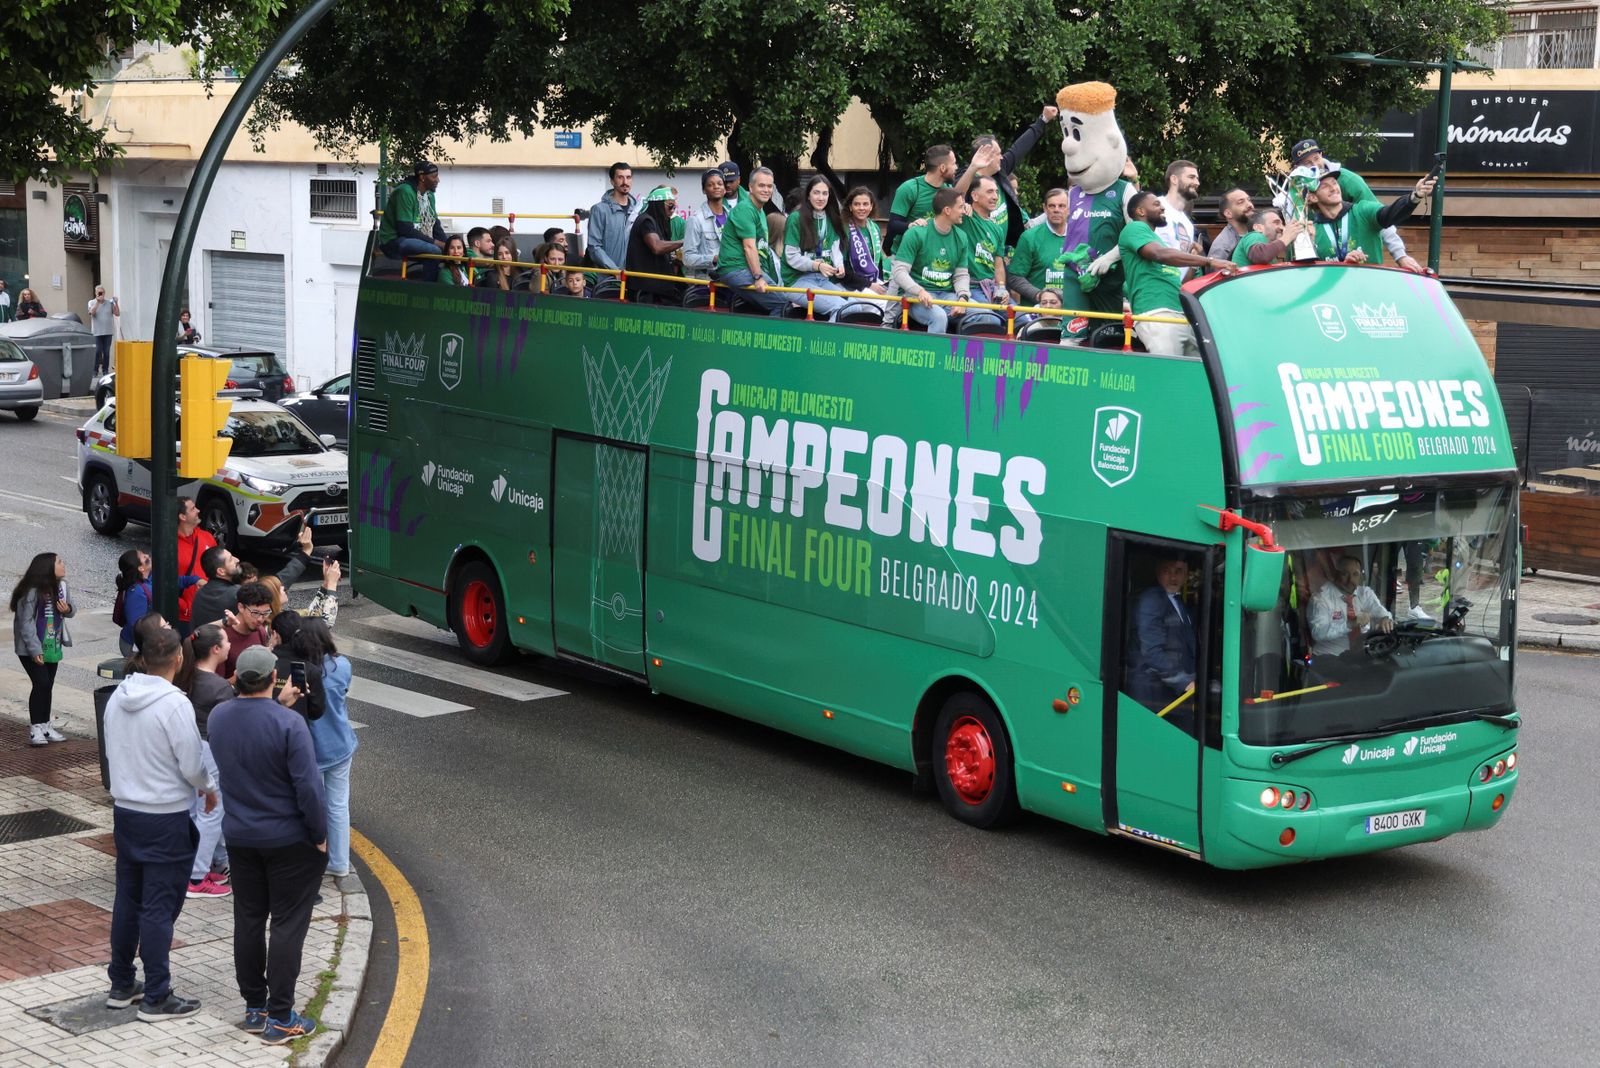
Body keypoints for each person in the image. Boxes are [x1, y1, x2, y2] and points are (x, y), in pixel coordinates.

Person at [207, 646, 326, 1045]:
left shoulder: (220, 716)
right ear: (275, 677)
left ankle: (255, 1007)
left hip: (240, 837)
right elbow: (309, 788)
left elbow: (250, 720)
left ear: (237, 677)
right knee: (289, 924)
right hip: (289, 839)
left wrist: (279, 704)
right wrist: (320, 835)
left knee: (250, 918)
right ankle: (282, 1016)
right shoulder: (290, 725)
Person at [101, 629, 217, 1021]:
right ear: (179, 660)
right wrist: (209, 786)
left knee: (128, 899)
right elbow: (191, 765)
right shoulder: (174, 705)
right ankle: (157, 995)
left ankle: (121, 983)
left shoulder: (120, 695)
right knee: (158, 907)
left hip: (127, 812)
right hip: (165, 816)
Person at [1119, 190, 1237, 356]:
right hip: (1156, 313)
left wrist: (1194, 263)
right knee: (1169, 373)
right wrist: (1210, 261)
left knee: (1198, 373)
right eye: (1156, 204)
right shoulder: (1134, 228)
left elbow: (1182, 285)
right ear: (1140, 211)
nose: (1162, 208)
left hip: (1180, 316)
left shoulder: (1157, 242)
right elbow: (1160, 255)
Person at [1287, 138, 1421, 270]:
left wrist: (1400, 255)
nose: (1315, 165)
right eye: (1308, 163)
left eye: (1316, 158)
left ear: (1321, 155)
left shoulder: (1352, 187)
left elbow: (1386, 216)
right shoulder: (1295, 192)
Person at [175, 624, 235, 898]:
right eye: (225, 641)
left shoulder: (187, 675)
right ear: (215, 649)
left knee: (195, 809)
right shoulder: (218, 687)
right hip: (210, 750)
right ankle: (197, 877)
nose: (229, 645)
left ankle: (196, 866)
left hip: (189, 746)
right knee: (211, 812)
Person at [297, 617, 357, 883]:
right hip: (341, 744)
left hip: (313, 750)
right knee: (338, 805)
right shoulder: (342, 666)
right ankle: (340, 862)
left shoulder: (301, 673)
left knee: (313, 807)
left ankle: (314, 859)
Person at [956, 106, 1059, 247]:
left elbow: (1019, 148)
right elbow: (956, 195)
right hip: (976, 253)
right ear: (986, 156)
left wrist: (1043, 119)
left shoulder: (999, 170)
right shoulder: (966, 176)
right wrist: (973, 167)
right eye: (998, 154)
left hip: (1001, 249)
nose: (1001, 157)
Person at [1306, 169, 1436, 265]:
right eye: (1325, 186)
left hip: (1370, 296)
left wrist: (1415, 196)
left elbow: (1391, 214)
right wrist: (1343, 264)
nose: (1333, 188)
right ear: (1313, 197)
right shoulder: (1312, 232)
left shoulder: (1363, 211)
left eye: (1334, 183)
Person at [11, 552, 74, 747]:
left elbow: (72, 610)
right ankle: (35, 728)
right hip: (32, 647)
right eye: (59, 562)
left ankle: (46, 726)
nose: (63, 564)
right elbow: (25, 622)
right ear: (47, 568)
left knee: (48, 684)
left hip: (52, 644)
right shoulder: (31, 590)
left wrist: (68, 610)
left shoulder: (62, 587)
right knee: (41, 683)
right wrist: (35, 649)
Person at [713, 167, 795, 316]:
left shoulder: (759, 209)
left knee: (784, 298)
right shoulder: (746, 209)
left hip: (746, 269)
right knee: (783, 303)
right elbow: (749, 247)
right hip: (736, 269)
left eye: (769, 186)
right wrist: (758, 277)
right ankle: (769, 338)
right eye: (761, 185)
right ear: (750, 187)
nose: (766, 190)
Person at [890, 187, 973, 335]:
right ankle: (936, 357)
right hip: (916, 296)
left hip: (947, 296)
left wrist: (963, 298)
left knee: (986, 315)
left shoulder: (962, 237)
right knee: (939, 317)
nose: (964, 211)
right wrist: (919, 291)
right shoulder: (916, 233)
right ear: (947, 210)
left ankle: (961, 356)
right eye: (960, 207)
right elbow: (899, 271)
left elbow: (961, 275)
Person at [1126, 559, 1199, 721]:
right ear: (1158, 573)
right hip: (1154, 696)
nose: (1173, 577)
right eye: (1167, 570)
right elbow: (1151, 652)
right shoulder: (1152, 599)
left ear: (1186, 575)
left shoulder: (1177, 602)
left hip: (1172, 695)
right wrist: (1185, 682)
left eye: (1178, 571)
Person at [886, 144, 989, 253]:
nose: (956, 167)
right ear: (943, 168)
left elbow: (958, 194)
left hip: (933, 256)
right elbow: (893, 225)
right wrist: (911, 225)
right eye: (953, 163)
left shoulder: (947, 189)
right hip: (906, 255)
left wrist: (964, 206)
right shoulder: (910, 188)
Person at [780, 176, 848, 319]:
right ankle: (829, 341)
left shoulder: (831, 218)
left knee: (855, 307)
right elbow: (791, 257)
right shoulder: (796, 218)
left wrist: (840, 266)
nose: (821, 198)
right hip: (796, 281)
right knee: (840, 307)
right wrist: (817, 265)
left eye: (825, 193)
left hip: (821, 280)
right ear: (808, 195)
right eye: (816, 193)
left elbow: (835, 249)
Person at [115, 548, 203, 657]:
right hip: (135, 645)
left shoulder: (152, 578)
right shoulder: (136, 593)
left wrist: (196, 580)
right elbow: (136, 625)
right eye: (143, 557)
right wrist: (160, 630)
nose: (147, 555)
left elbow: (174, 581)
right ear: (141, 568)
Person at [1309, 556, 1396, 657]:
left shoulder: (1365, 593)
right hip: (1329, 657)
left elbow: (1381, 612)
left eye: (1355, 574)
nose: (1350, 580)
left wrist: (1385, 619)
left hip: (1361, 655)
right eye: (1345, 574)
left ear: (1360, 576)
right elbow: (1318, 633)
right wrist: (1350, 624)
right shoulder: (1321, 598)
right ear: (1335, 574)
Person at [376, 161, 446, 281]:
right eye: (434, 176)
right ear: (422, 177)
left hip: (415, 238)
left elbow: (435, 224)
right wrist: (437, 243)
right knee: (435, 250)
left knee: (455, 246)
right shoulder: (405, 192)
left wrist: (449, 244)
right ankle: (428, 288)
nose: (438, 180)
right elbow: (405, 229)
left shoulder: (429, 195)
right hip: (394, 241)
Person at [625, 187, 685, 304]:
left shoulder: (660, 222)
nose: (673, 209)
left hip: (659, 289)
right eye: (670, 205)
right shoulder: (646, 221)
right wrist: (684, 241)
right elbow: (657, 247)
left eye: (674, 206)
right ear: (658, 204)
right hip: (646, 293)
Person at [961, 174, 1010, 303]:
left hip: (992, 288)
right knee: (989, 318)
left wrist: (1002, 288)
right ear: (974, 196)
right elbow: (954, 196)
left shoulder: (997, 229)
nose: (995, 197)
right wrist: (963, 205)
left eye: (996, 192)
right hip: (971, 287)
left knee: (1022, 318)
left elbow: (998, 265)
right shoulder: (964, 217)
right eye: (989, 192)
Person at [1155, 160, 1204, 282]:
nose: (1197, 183)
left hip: (1174, 293)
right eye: (1191, 177)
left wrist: (1194, 259)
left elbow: (1183, 273)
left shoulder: (1187, 224)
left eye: (1197, 178)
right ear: (1174, 179)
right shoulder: (1155, 205)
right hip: (1154, 290)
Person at [174, 497, 215, 636]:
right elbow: (162, 582)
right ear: (182, 516)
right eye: (193, 509)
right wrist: (183, 606)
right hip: (184, 617)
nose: (198, 510)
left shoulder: (207, 537)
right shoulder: (169, 545)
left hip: (209, 611)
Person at [586, 162, 637, 271]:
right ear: (612, 181)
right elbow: (594, 247)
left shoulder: (637, 210)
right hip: (609, 278)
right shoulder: (599, 210)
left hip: (634, 277)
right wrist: (614, 270)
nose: (625, 182)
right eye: (620, 177)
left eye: (628, 177)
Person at [839, 186, 889, 295]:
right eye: (857, 204)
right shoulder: (844, 229)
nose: (861, 208)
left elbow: (879, 260)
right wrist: (868, 285)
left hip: (873, 281)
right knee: (885, 304)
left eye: (865, 204)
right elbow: (841, 268)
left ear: (871, 206)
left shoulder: (874, 227)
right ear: (850, 207)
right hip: (851, 285)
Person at [683, 168, 729, 282]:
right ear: (704, 190)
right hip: (707, 284)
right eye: (710, 184)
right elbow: (688, 258)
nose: (716, 187)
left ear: (724, 189)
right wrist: (714, 259)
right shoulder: (695, 219)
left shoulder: (732, 216)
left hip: (730, 281)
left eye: (720, 184)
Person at [222, 583, 275, 678]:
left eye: (265, 613)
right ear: (241, 607)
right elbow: (217, 685)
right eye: (255, 613)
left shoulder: (260, 631)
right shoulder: (222, 637)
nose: (260, 619)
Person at [1233, 208, 1308, 267]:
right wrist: (1286, 237)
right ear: (1258, 227)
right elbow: (1260, 255)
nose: (1282, 227)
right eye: (1276, 223)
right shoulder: (1254, 235)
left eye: (1282, 224)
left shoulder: (1271, 252)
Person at [1207, 187, 1256, 267]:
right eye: (1241, 202)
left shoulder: (1257, 232)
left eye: (1249, 200)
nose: (1249, 205)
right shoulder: (1223, 246)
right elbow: (1216, 277)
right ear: (1228, 213)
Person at [88, 285, 121, 376]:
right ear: (95, 293)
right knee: (98, 351)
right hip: (97, 332)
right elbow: (91, 313)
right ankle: (95, 370)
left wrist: (116, 303)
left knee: (106, 352)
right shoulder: (92, 302)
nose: (100, 294)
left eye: (102, 292)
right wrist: (98, 303)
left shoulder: (109, 303)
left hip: (108, 332)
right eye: (99, 292)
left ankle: (105, 370)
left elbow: (117, 313)